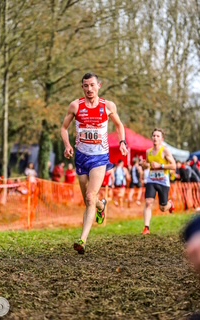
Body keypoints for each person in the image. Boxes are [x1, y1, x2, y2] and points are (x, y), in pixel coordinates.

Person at [61, 72, 128, 254]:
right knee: (88, 200)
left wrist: (122, 142)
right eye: (85, 86)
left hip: (99, 158)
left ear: (99, 85)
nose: (89, 89)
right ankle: (101, 205)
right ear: (82, 87)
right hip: (81, 157)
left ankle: (82, 240)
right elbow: (64, 128)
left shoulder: (108, 106)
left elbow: (119, 125)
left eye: (92, 85)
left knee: (90, 197)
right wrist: (67, 145)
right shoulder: (76, 106)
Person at [141, 128, 176, 235]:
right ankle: (146, 228)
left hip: (163, 182)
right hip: (151, 180)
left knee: (163, 208)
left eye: (158, 136)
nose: (155, 138)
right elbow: (146, 165)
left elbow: (173, 165)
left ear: (162, 139)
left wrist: (160, 165)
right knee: (148, 202)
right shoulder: (149, 152)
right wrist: (144, 165)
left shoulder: (165, 151)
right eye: (154, 136)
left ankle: (170, 204)